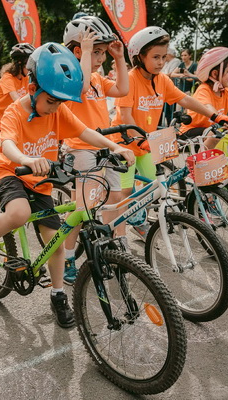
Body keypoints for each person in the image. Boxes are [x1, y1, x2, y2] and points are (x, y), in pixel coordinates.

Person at [0, 42, 135, 328]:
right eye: (51, 101)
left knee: (56, 243)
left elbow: (85, 131)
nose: (55, 108)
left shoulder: (57, 111)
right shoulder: (14, 112)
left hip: (40, 181)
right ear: (32, 89)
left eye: (60, 102)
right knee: (19, 213)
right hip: (10, 172)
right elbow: (7, 145)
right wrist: (26, 159)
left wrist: (115, 147)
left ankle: (58, 295)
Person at [113, 27, 228, 240]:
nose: (161, 62)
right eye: (155, 57)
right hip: (124, 143)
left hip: (147, 143)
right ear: (139, 57)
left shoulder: (161, 80)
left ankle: (137, 219)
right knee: (124, 193)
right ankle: (119, 236)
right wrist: (139, 140)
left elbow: (185, 99)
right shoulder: (130, 79)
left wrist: (215, 116)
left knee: (152, 187)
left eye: (163, 57)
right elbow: (125, 116)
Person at [60, 15, 129, 284]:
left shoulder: (99, 79)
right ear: (78, 51)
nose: (101, 58)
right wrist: (87, 55)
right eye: (96, 52)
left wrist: (119, 59)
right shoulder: (71, 77)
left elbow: (122, 89)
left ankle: (115, 247)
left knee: (115, 197)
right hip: (80, 148)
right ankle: (67, 257)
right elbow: (82, 87)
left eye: (102, 52)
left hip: (102, 147)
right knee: (83, 208)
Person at [0, 43, 34, 161]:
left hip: (10, 117)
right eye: (28, 64)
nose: (31, 68)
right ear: (19, 63)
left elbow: (31, 96)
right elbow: (17, 100)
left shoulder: (26, 78)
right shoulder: (7, 78)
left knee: (16, 149)